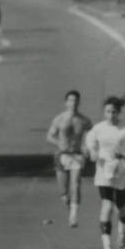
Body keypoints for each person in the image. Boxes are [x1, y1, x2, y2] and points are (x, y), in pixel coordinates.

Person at [85, 96, 125, 249]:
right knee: (106, 205)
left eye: (114, 112)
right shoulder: (97, 129)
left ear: (118, 113)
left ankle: (122, 227)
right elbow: (90, 145)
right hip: (104, 171)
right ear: (104, 112)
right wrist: (93, 153)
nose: (111, 115)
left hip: (122, 170)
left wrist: (124, 154)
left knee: (120, 207)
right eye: (108, 111)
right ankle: (107, 246)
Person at [46, 90, 93, 228]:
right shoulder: (59, 119)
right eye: (71, 100)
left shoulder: (84, 120)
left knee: (76, 183)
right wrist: (58, 143)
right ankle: (68, 202)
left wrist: (86, 146)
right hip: (62, 156)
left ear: (79, 102)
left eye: (76, 100)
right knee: (64, 193)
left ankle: (73, 216)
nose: (73, 103)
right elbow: (49, 136)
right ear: (66, 102)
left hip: (77, 155)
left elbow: (91, 135)